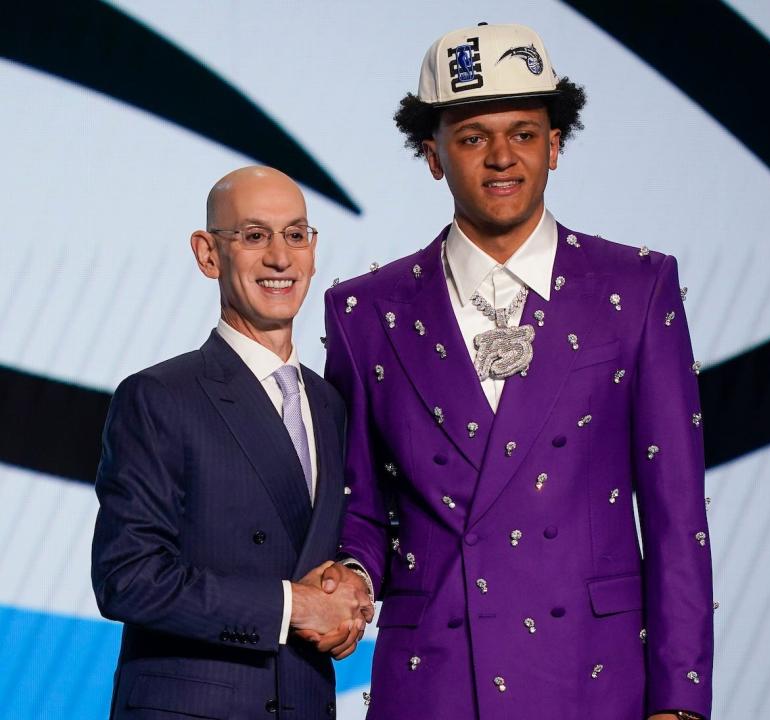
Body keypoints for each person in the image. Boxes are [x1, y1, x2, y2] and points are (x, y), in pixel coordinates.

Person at [321, 23, 713, 719]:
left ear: (556, 144)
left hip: (595, 679)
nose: (502, 157)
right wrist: (350, 573)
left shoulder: (637, 289)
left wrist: (679, 703)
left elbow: (677, 514)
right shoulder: (365, 312)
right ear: (431, 153)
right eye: (472, 137)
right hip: (434, 682)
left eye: (524, 133)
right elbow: (360, 505)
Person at [91, 166, 373, 719]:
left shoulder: (333, 404)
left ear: (313, 252)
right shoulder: (158, 396)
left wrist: (350, 596)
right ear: (207, 254)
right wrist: (293, 607)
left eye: (295, 235)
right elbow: (127, 578)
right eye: (253, 235)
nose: (279, 258)